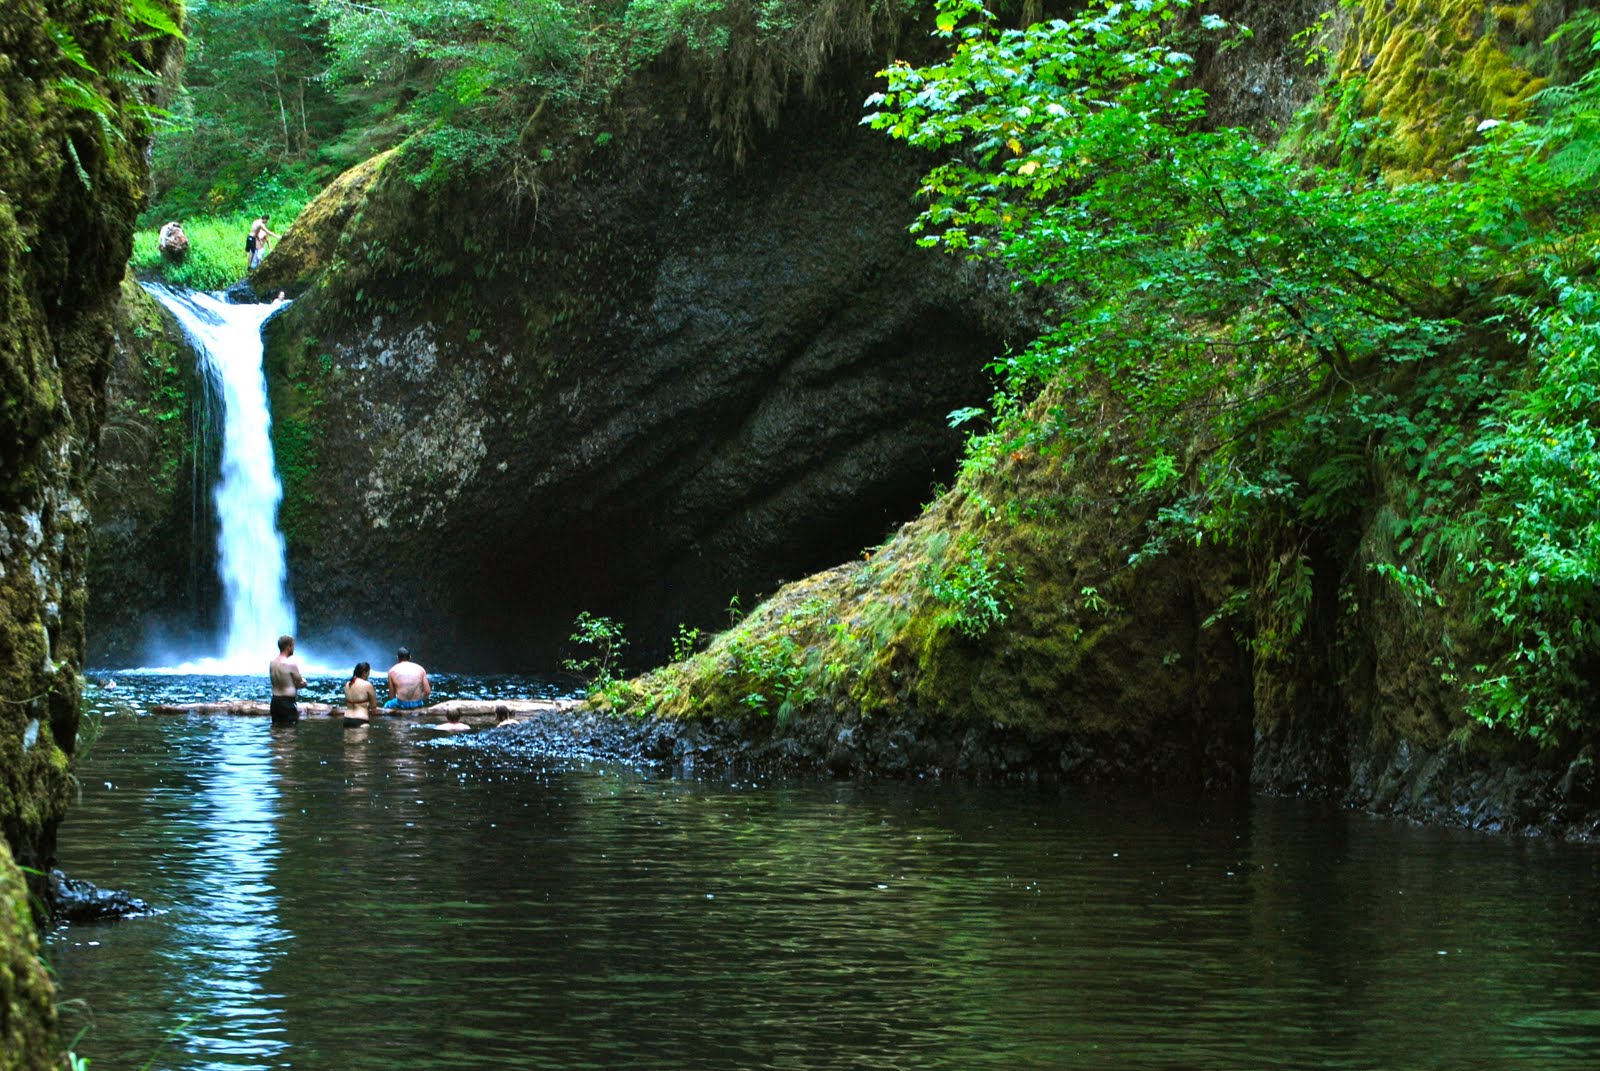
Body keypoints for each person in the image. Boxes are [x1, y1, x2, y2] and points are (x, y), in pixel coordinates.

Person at [269, 634, 307, 724]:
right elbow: (301, 682)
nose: (294, 649)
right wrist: (304, 682)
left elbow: (280, 681)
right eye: (293, 646)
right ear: (288, 647)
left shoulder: (272, 663)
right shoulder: (290, 664)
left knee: (276, 731)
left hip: (275, 702)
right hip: (287, 703)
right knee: (289, 733)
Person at [384, 647, 431, 711]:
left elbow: (392, 696)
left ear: (397, 658)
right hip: (417, 704)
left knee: (387, 705)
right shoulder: (421, 669)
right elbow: (427, 692)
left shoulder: (392, 671)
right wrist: (419, 699)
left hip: (401, 704)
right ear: (410, 657)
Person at [343, 662, 378, 727]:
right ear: (364, 672)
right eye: (368, 672)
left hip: (347, 719)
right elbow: (374, 706)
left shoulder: (347, 684)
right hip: (361, 719)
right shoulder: (367, 685)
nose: (368, 675)